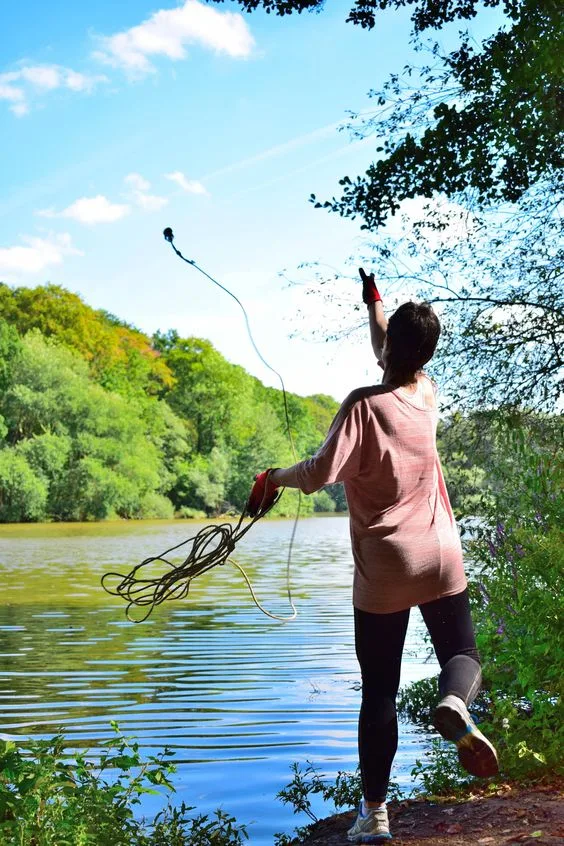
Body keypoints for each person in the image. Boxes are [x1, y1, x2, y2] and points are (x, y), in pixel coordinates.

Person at [248, 269, 499, 843]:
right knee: (461, 652)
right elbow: (393, 347)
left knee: (380, 690)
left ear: (390, 351)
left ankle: (374, 815)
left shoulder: (362, 405)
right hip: (440, 556)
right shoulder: (425, 392)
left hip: (386, 568)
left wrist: (272, 478)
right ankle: (456, 703)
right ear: (425, 355)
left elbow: (317, 474)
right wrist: (375, 305)